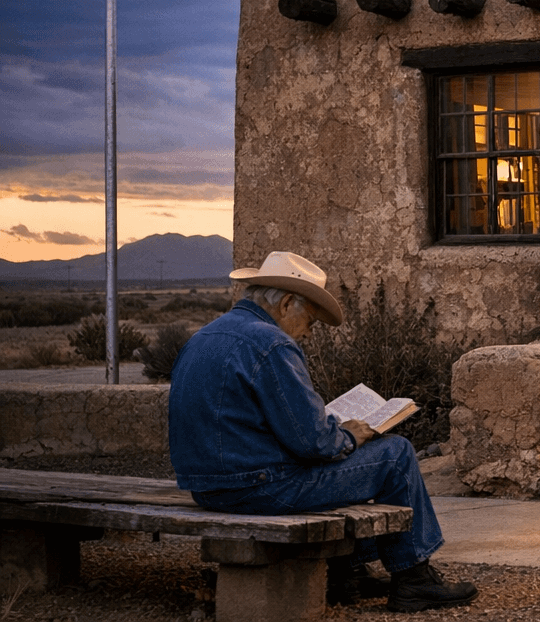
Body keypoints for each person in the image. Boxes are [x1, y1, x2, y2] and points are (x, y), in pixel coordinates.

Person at [168, 251, 477, 613]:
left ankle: (349, 572)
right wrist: (349, 435)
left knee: (342, 465)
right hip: (259, 487)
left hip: (207, 488)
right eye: (310, 322)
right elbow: (313, 441)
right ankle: (414, 579)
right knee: (395, 455)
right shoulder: (273, 344)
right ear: (286, 303)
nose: (308, 335)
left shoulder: (204, 336)